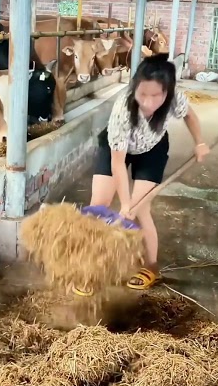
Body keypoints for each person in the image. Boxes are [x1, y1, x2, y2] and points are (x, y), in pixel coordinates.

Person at [76, 54, 209, 295]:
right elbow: (118, 164)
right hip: (117, 147)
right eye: (142, 94)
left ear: (167, 92)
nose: (147, 102)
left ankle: (150, 267)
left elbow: (190, 115)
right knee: (98, 207)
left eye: (155, 95)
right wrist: (124, 203)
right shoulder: (122, 110)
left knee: (141, 209)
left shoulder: (175, 100)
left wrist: (199, 143)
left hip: (152, 148)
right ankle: (90, 269)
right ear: (135, 87)